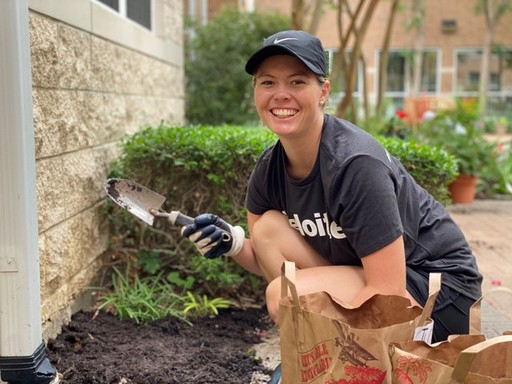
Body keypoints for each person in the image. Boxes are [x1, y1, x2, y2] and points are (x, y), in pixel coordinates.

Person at [181, 30, 482, 345]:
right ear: (255, 92)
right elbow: (267, 256)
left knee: (283, 295)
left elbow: (386, 293)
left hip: (438, 292)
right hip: (379, 280)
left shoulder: (356, 165)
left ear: (323, 92)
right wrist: (232, 243)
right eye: (268, 82)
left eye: (297, 82)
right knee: (267, 229)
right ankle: (322, 348)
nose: (281, 94)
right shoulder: (269, 169)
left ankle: (332, 354)